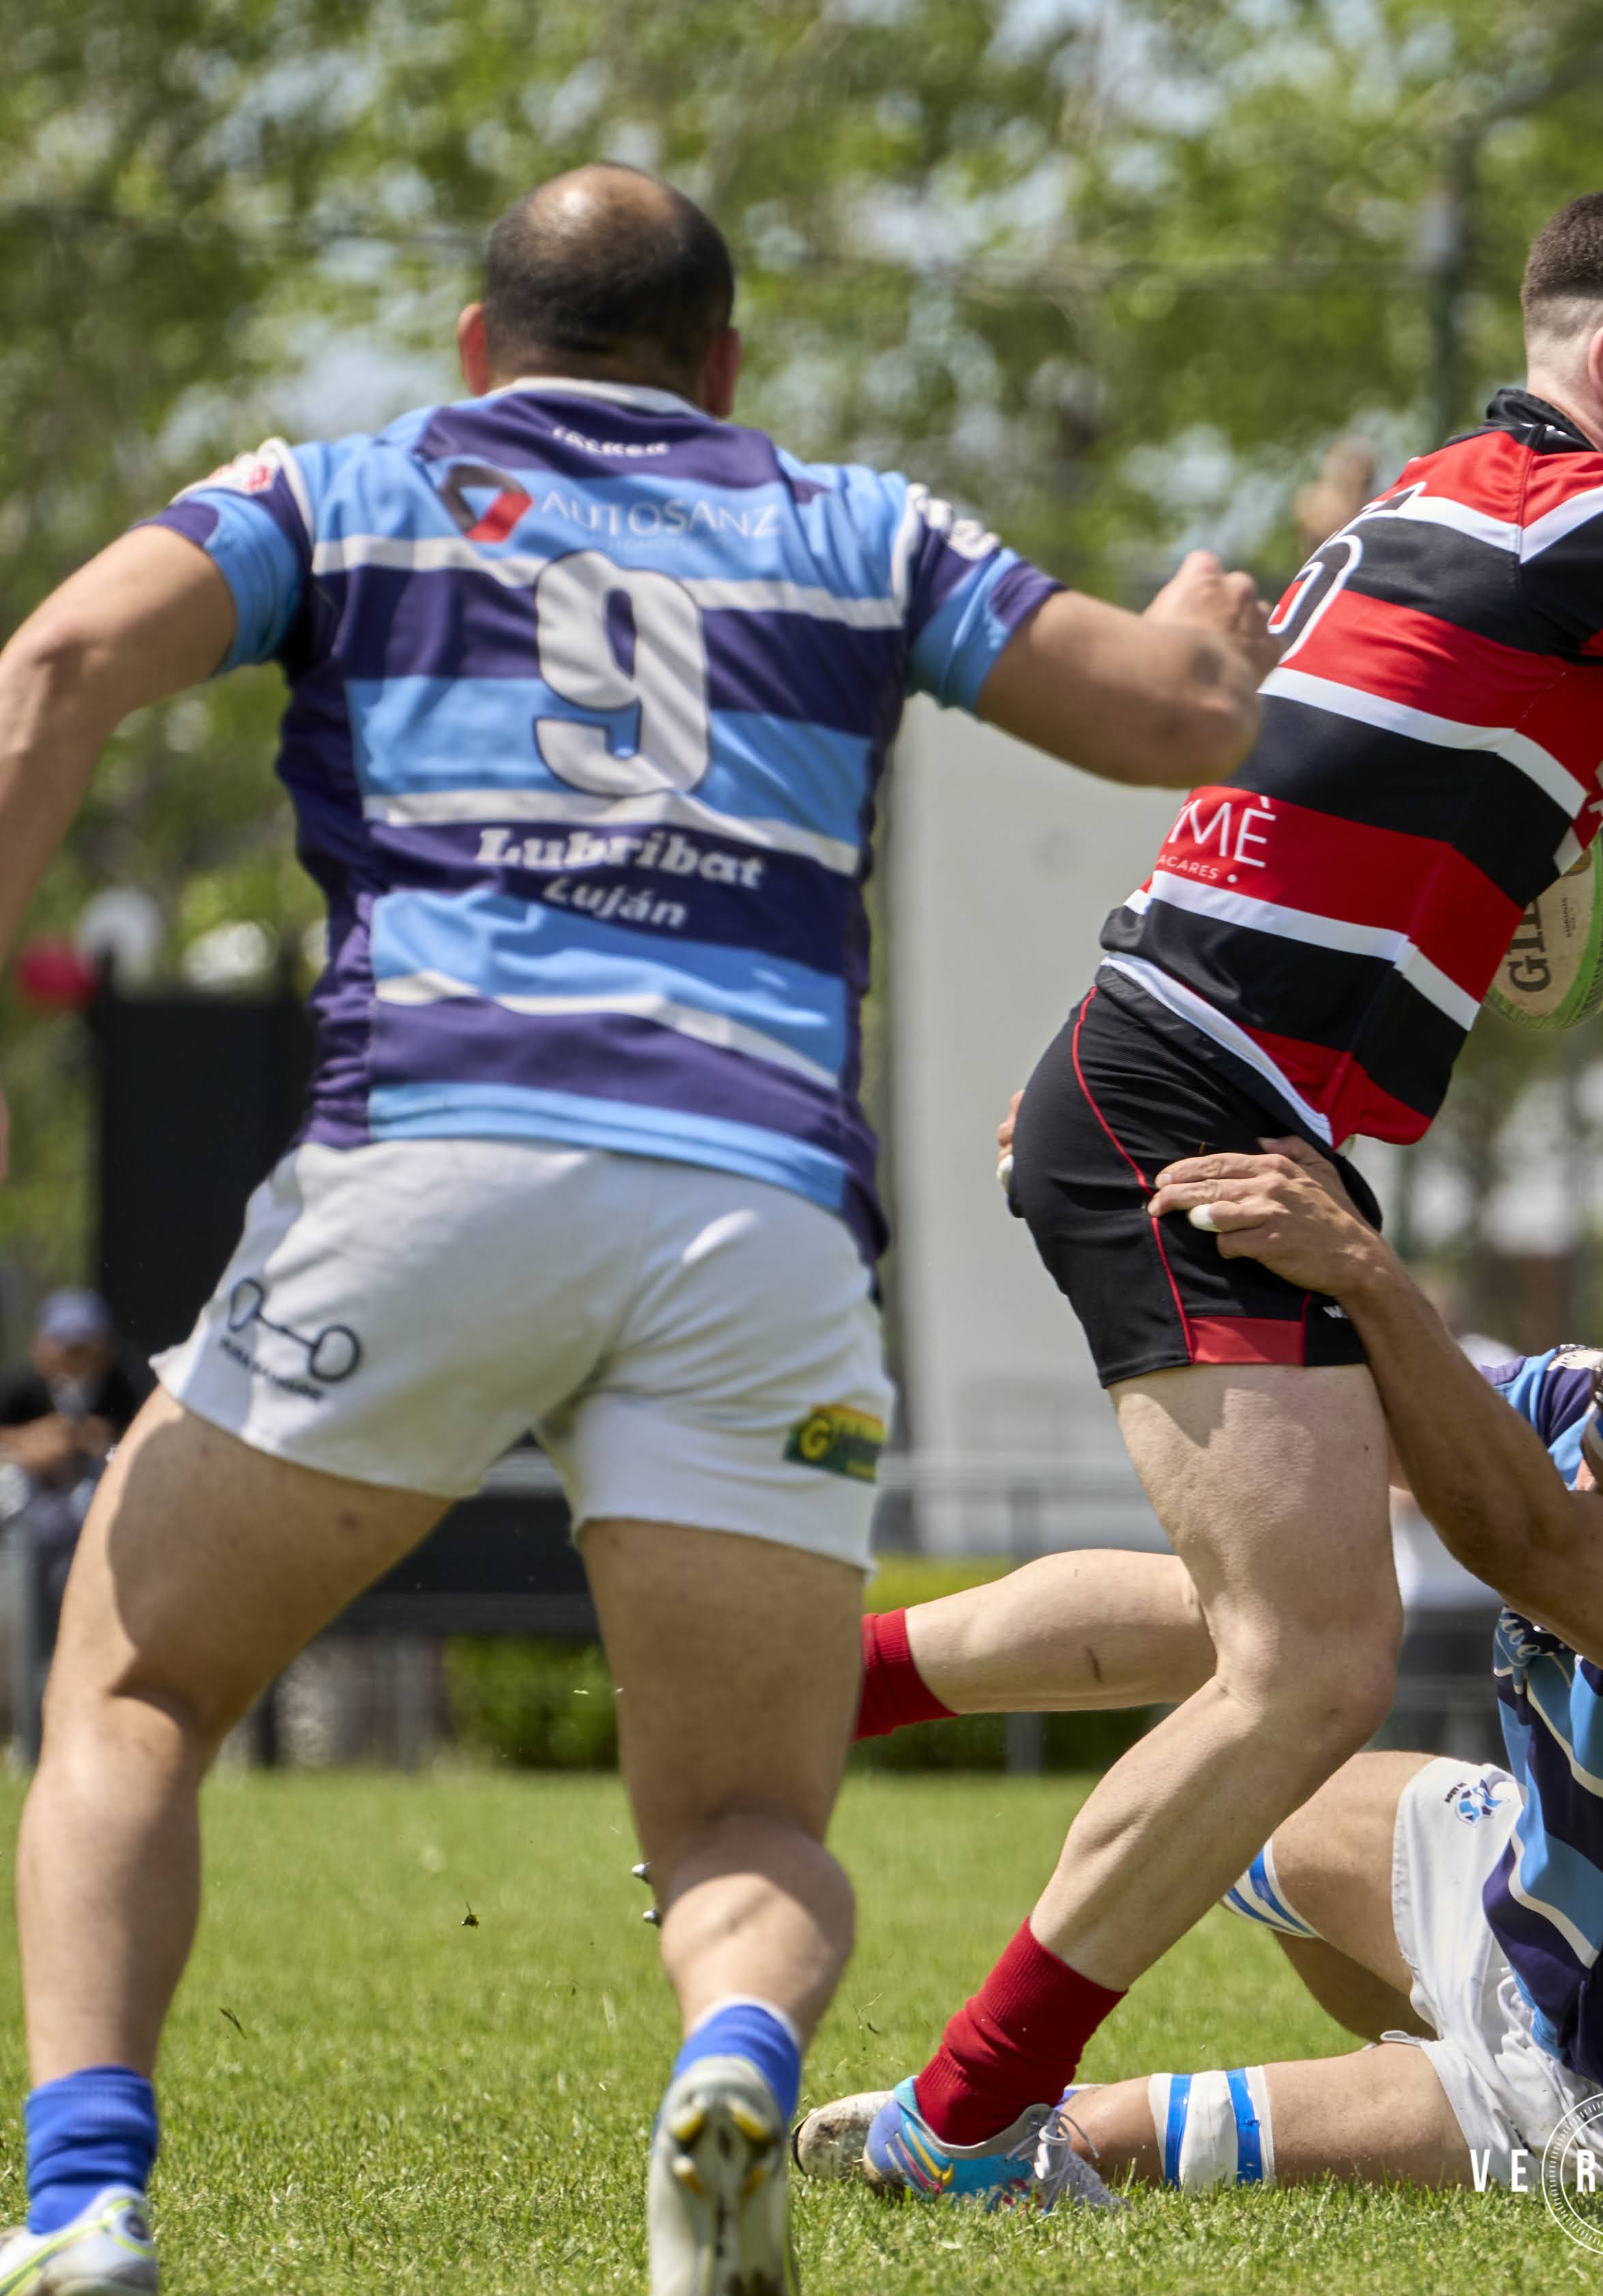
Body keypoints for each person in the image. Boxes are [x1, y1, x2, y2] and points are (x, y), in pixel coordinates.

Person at [0, 164, 1271, 2296]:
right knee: (744, 1824)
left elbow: (54, 665)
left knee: (129, 1695)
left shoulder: (347, 486)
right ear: (729, 364)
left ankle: (84, 2208)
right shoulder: (859, 525)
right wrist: (1216, 636)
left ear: (479, 348)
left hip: (430, 1172)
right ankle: (739, 2062)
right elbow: (1165, 716)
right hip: (755, 1223)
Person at [843, 186, 1603, 2204]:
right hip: (1200, 1099)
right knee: (1310, 1663)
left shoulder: (1431, 504)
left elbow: (1337, 769)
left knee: (1283, 1614)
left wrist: (1595, 798)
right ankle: (967, 2124)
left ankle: (820, 1699)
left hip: (1189, 1085)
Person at [804, 1150, 1603, 2205]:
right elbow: (1388, 1427)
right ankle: (818, 1693)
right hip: (1522, 1878)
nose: (1587, 1494)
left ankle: (1034, 2117)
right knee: (1263, 1724)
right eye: (1588, 1475)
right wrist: (1109, 1172)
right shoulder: (1599, 1412)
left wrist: (1369, 1270)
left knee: (1092, 2138)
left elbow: (1530, 1540)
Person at [0, 1294, 145, 1498]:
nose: (71, 1360)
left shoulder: (127, 1388)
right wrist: (28, 1442)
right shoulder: (22, 1390)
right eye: (61, 1344)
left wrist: (106, 1443)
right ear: (38, 1347)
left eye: (82, 1349)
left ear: (107, 1348)